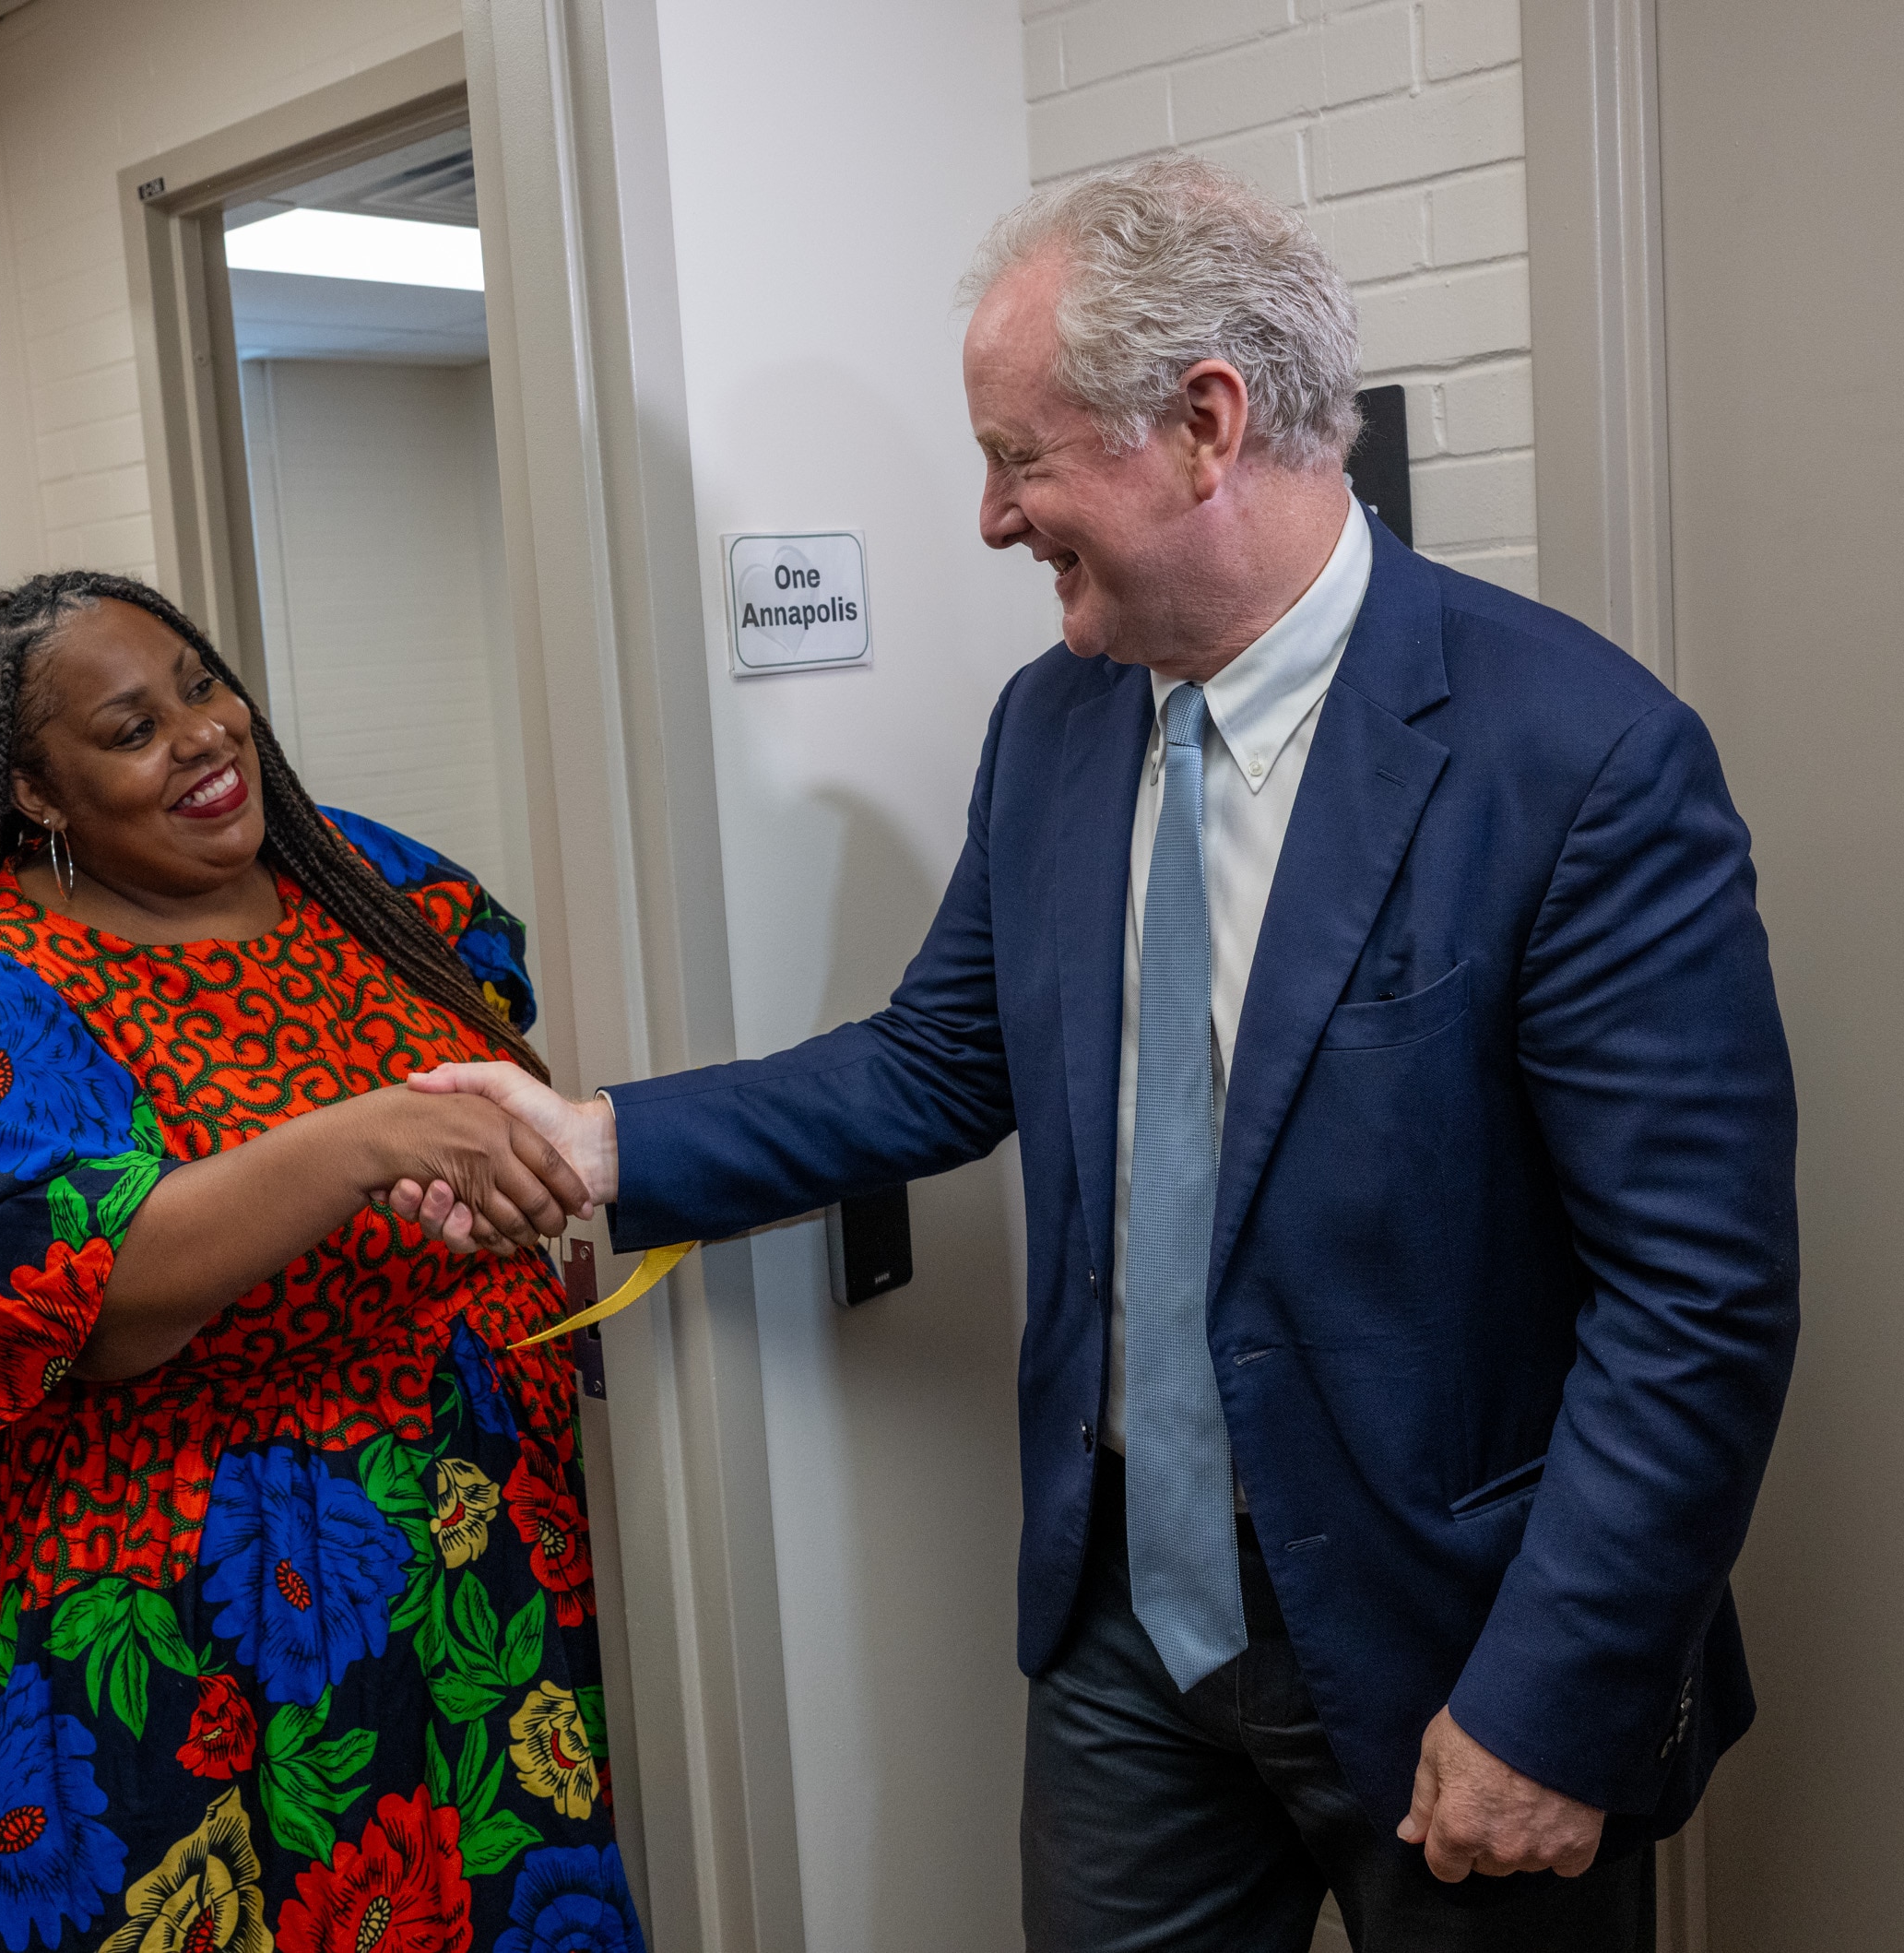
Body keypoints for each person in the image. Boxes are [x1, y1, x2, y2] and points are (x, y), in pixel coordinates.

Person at [410, 157, 1798, 1950]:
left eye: (1020, 458)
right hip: (1125, 1629)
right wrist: (596, 1141)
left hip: (1451, 1635)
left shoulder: (1581, 758)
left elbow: (1698, 1299)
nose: (991, 518)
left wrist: (1551, 1701)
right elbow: (937, 1064)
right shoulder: (1055, 725)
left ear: (1205, 425)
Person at [0, 574, 630, 1953]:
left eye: (204, 686)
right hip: (181, 1594)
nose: (204, 737)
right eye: (134, 729)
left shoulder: (352, 868)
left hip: (465, 1539)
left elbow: (507, 1063)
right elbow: (91, 1304)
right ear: (35, 790)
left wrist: (492, 1183)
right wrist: (364, 1141)